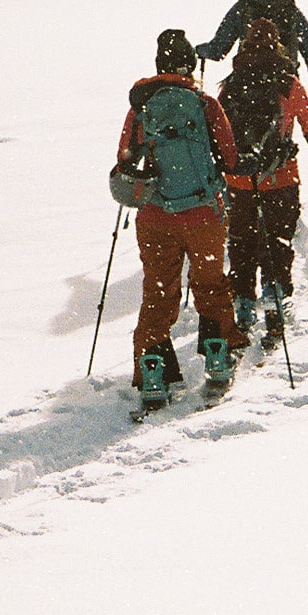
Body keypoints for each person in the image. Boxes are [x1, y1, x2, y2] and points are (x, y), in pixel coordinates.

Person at [113, 28, 248, 405]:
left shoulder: (142, 107)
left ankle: (154, 369)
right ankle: (218, 355)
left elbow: (125, 160)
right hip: (203, 213)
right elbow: (230, 157)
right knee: (210, 283)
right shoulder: (204, 104)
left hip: (156, 216)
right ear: (189, 64)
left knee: (159, 290)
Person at [218, 18, 308, 333]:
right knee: (277, 238)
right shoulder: (288, 83)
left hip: (239, 179)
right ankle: (275, 291)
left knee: (241, 239)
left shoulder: (232, 82)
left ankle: (242, 299)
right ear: (278, 44)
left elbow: (222, 131)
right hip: (280, 177)